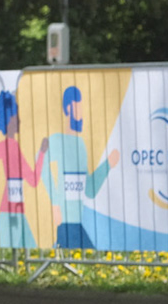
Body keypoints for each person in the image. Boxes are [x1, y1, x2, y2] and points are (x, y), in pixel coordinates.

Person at [36, 84, 117, 249]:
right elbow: (41, 164)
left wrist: (108, 164)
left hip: (78, 222)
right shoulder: (57, 140)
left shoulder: (80, 144)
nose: (81, 112)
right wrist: (55, 203)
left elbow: (90, 189)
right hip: (64, 222)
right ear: (68, 108)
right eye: (78, 106)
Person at [0, 91, 37, 249]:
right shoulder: (10, 146)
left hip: (17, 211)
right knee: (10, 251)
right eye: (16, 116)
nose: (19, 120)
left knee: (29, 249)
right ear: (10, 119)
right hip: (10, 212)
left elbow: (32, 180)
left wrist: (41, 153)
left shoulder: (14, 146)